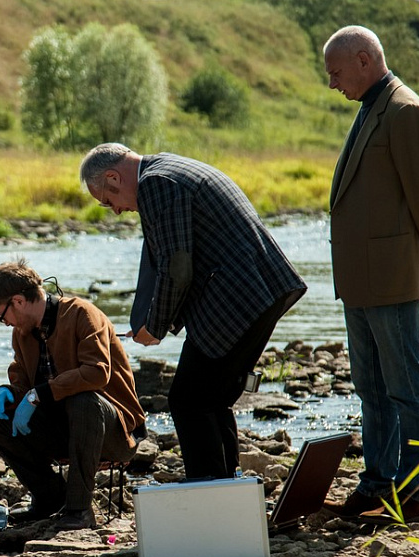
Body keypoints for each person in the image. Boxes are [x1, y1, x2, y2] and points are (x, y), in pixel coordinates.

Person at [79, 144, 306, 482]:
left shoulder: (156, 183)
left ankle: (210, 493)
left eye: (108, 201)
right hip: (261, 291)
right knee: (213, 399)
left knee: (188, 400)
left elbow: (177, 266)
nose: (114, 211)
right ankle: (227, 488)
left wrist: (155, 327)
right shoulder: (169, 169)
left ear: (114, 177)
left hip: (238, 297)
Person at [319, 26, 419, 524]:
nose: (331, 82)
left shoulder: (404, 110)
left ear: (362, 59)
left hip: (392, 277)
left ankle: (415, 494)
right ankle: (376, 484)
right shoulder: (374, 107)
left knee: (405, 386)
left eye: (335, 71)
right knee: (371, 388)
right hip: (362, 280)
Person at [0, 260, 147, 531]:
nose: (5, 323)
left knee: (83, 401)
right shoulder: (22, 333)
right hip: (64, 428)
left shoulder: (82, 314)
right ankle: (50, 499)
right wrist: (7, 392)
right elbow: (21, 381)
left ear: (18, 301)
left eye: (2, 316)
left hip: (114, 430)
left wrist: (38, 395)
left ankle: (79, 510)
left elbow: (96, 373)